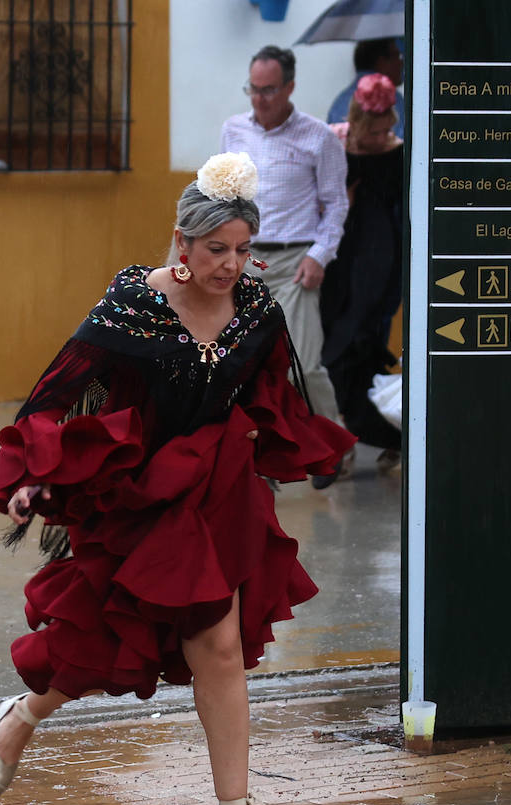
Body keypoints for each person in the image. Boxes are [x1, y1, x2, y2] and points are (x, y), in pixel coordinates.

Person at [0, 153, 354, 805]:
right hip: (138, 490)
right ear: (182, 242)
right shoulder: (132, 305)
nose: (232, 265)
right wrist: (29, 478)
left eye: (244, 251)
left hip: (219, 490)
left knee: (218, 645)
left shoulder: (257, 309)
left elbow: (277, 396)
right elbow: (55, 395)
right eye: (218, 251)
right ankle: (21, 717)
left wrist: (290, 448)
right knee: (110, 640)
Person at [221, 45, 348, 488]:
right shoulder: (233, 131)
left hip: (298, 260)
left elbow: (335, 205)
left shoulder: (319, 137)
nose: (259, 99)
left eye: (269, 90)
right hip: (245, 258)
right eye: (253, 90)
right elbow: (226, 198)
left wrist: (320, 255)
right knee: (245, 363)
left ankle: (331, 449)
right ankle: (259, 455)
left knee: (303, 364)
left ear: (290, 87)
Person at [320, 74, 405, 473]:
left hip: (380, 255)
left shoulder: (401, 153)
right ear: (358, 121)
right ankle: (359, 432)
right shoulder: (337, 145)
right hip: (341, 254)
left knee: (362, 338)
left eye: (387, 127)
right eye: (375, 130)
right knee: (335, 338)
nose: (381, 136)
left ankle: (376, 432)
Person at [325, 37, 404, 133]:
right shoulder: (391, 99)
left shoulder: (339, 102)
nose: (401, 62)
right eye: (397, 56)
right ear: (381, 61)